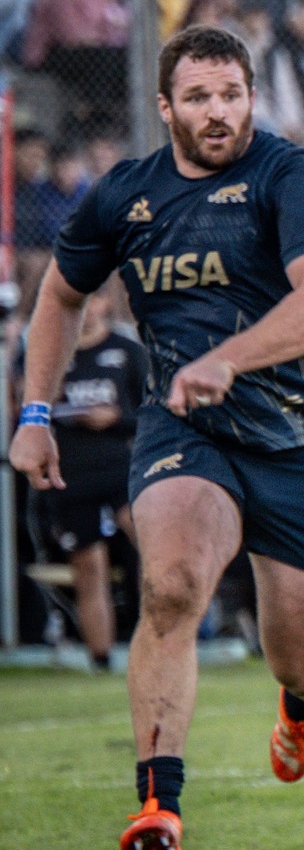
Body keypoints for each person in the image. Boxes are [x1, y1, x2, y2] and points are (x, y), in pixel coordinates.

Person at [11, 25, 304, 850]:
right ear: (166, 107)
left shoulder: (289, 175)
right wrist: (34, 410)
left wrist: (228, 358)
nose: (218, 112)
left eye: (232, 94)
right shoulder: (124, 197)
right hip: (187, 429)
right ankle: (158, 805)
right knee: (168, 588)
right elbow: (58, 296)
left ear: (251, 98)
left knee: (301, 656)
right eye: (199, 97)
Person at [29, 285, 146, 670]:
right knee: (89, 568)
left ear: (106, 303)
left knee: (154, 548)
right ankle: (101, 660)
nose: (88, 308)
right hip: (72, 476)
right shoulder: (51, 354)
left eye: (94, 299)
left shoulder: (127, 353)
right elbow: (26, 410)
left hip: (121, 472)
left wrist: (116, 419)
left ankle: (165, 641)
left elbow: (154, 414)